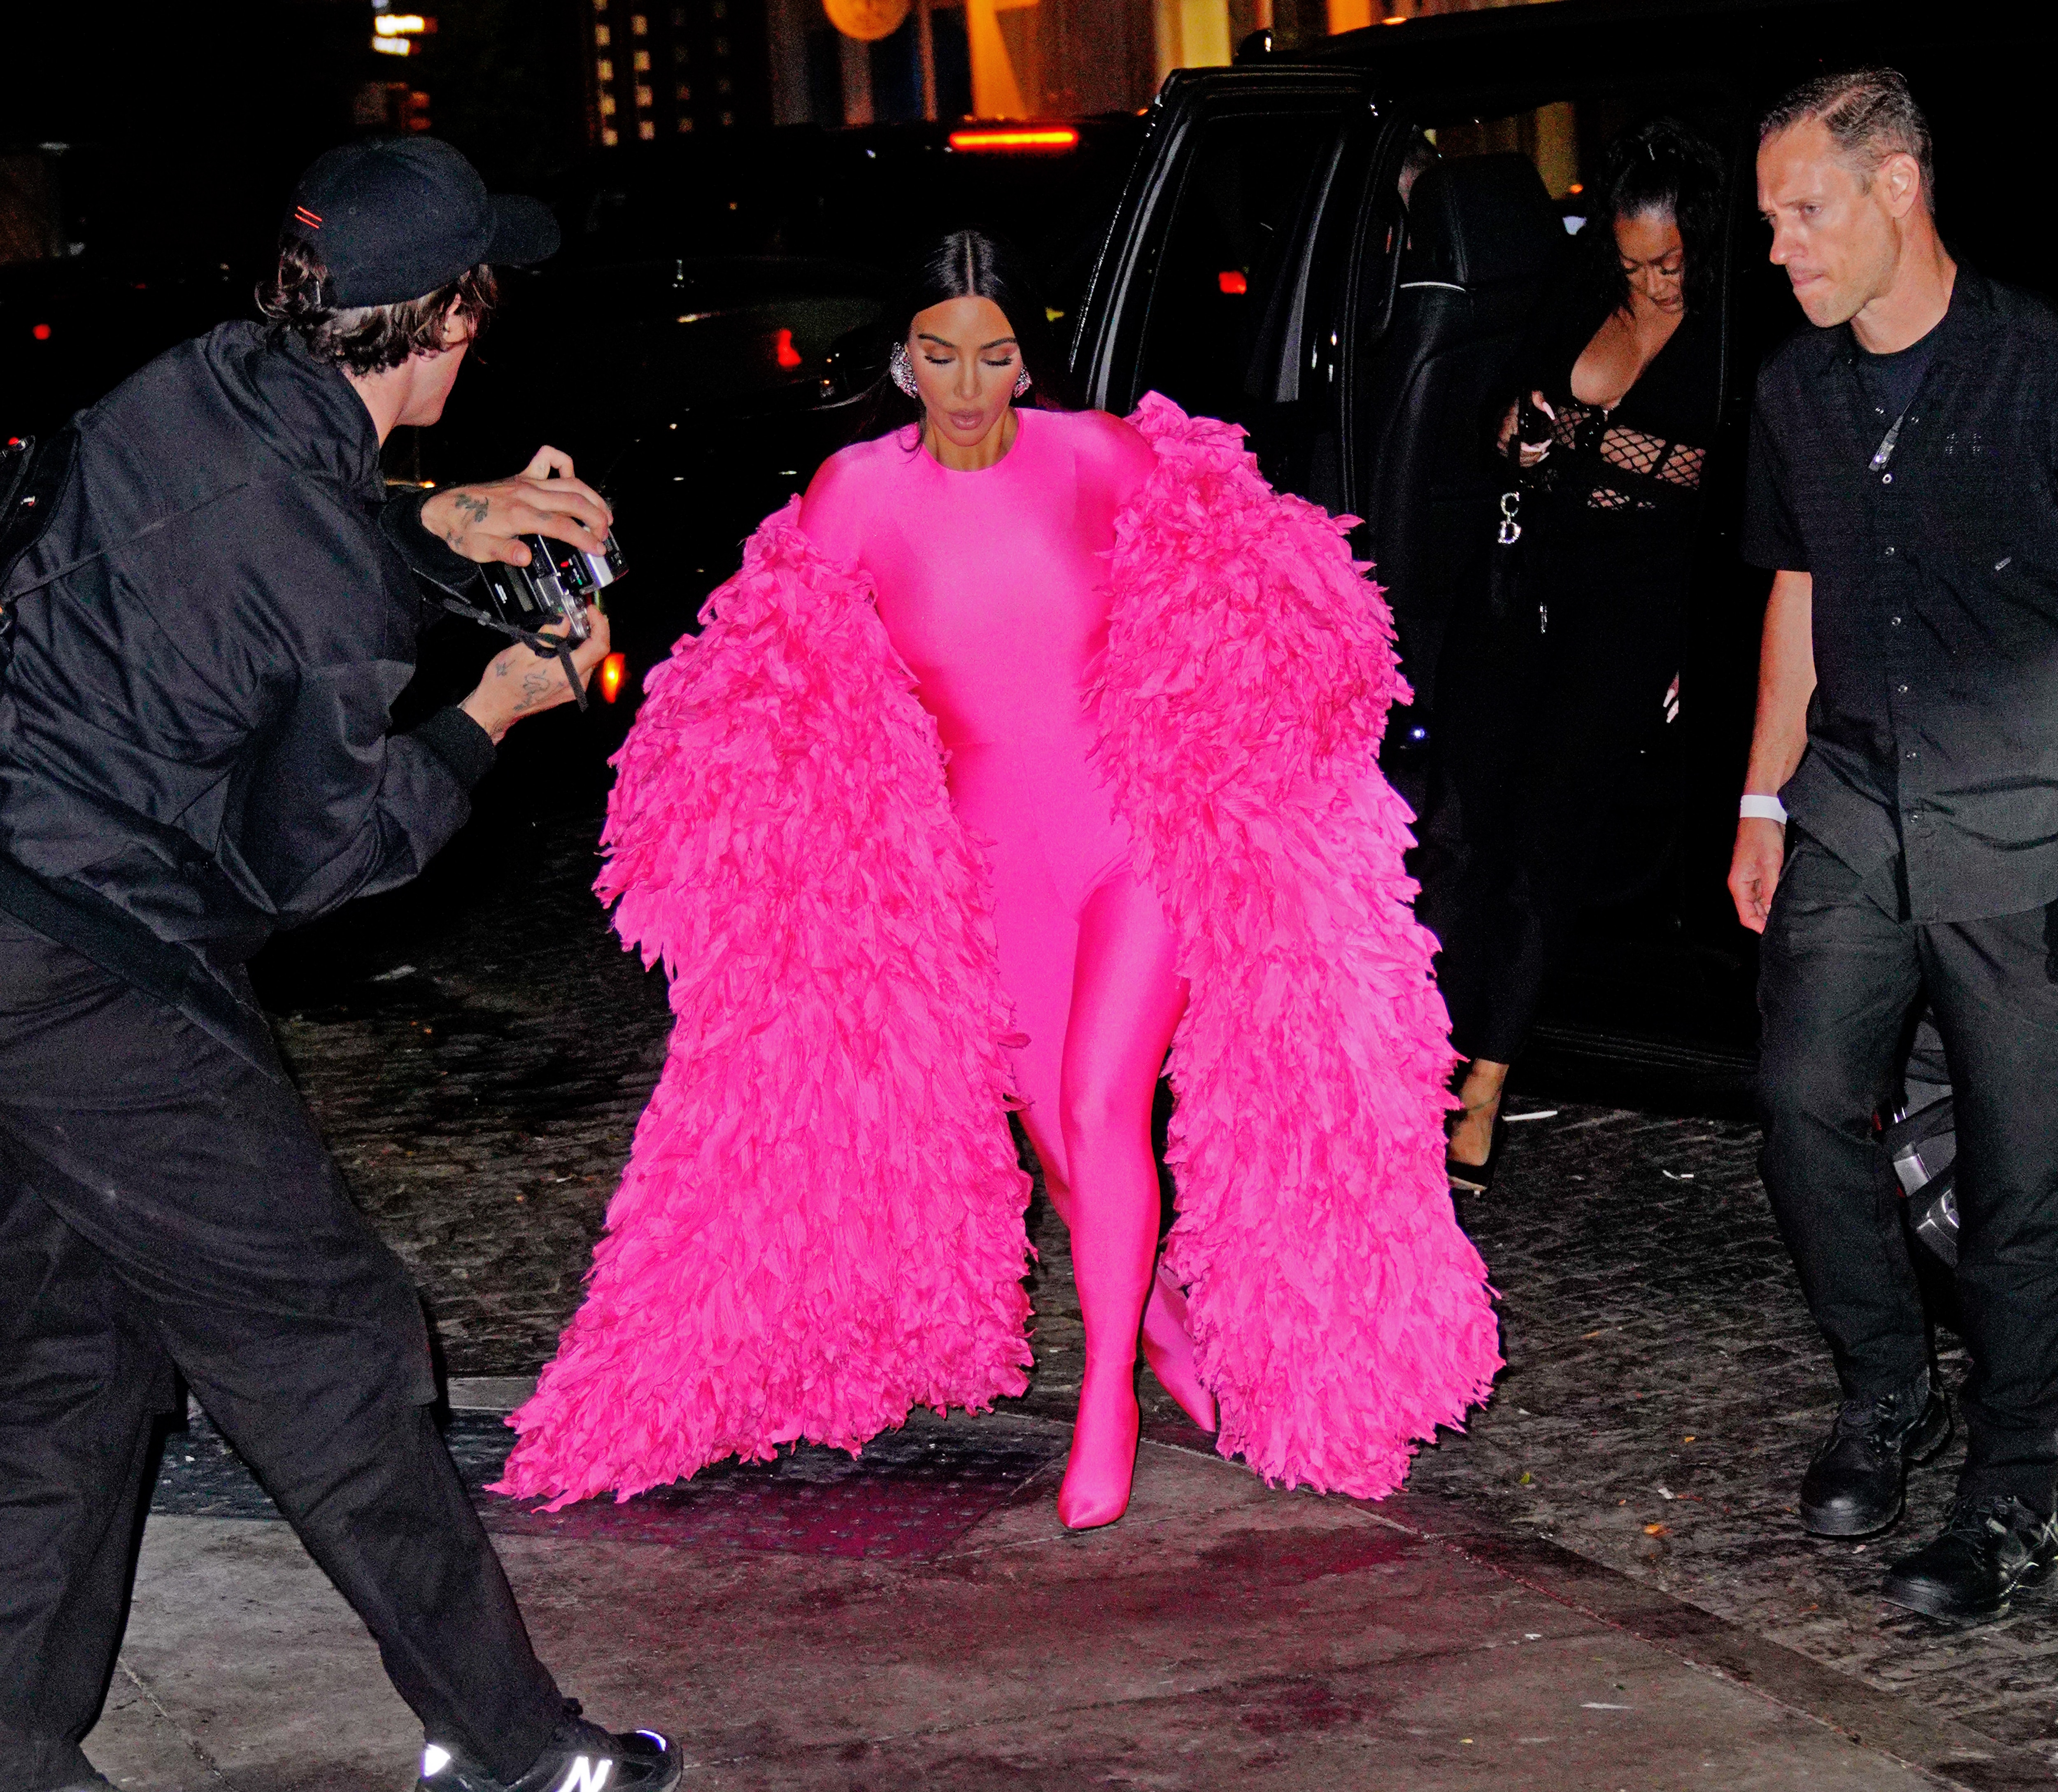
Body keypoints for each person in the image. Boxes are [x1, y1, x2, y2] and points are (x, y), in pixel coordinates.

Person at [494, 229, 1500, 1529]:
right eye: (940, 355)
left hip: (1127, 841)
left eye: (995, 355)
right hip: (986, 867)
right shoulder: (851, 495)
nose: (970, 386)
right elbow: (775, 678)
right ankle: (1162, 1328)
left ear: (1027, 358)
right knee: (1061, 1146)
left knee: (1101, 1102)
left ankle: (1107, 1407)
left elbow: (1253, 576)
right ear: (903, 364)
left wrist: (1283, 689)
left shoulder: (1099, 458)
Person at [0, 139, 678, 1792]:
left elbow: (255, 549)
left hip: (22, 923)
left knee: (72, 1348)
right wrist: (497, 704)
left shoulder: (197, 383)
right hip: (82, 968)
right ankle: (518, 1749)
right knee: (332, 1341)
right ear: (444, 321)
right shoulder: (310, 555)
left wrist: (442, 531)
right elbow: (310, 862)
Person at [1732, 66, 2058, 1621]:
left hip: (2025, 814)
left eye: (1806, 211)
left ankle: (2019, 1484)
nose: (1784, 246)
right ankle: (1886, 1387)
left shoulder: (2040, 364)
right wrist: (1760, 796)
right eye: (1774, 217)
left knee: (2022, 1172)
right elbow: (1795, 587)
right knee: (1802, 1098)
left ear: (1898, 188)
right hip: (1853, 801)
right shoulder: (1797, 392)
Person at [1419, 118, 1724, 1188]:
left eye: (1667, 266)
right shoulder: (1576, 290)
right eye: (1633, 260)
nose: (1648, 283)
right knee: (1459, 834)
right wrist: (1528, 432)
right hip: (1522, 588)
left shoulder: (1731, 335)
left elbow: (1700, 476)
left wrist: (1577, 439)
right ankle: (1432, 1064)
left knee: (1545, 857)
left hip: (1627, 614)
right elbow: (1497, 422)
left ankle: (1488, 1088)